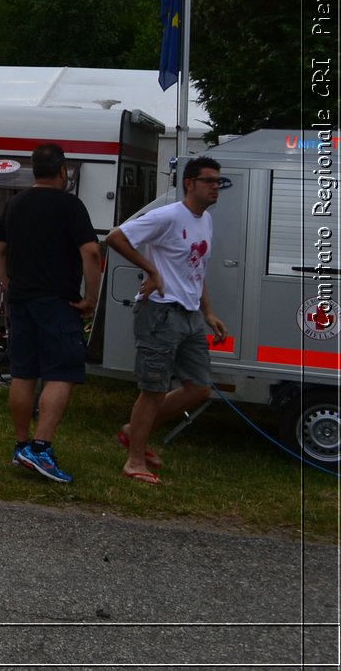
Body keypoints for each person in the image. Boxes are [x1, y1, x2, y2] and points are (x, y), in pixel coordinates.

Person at [104, 156, 229, 486]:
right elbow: (115, 237)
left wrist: (209, 312)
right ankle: (134, 461)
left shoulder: (206, 221)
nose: (216, 187)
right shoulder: (169, 215)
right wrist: (151, 269)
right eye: (210, 181)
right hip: (160, 313)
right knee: (153, 389)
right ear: (190, 183)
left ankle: (134, 432)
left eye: (219, 182)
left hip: (189, 316)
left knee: (200, 388)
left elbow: (196, 270)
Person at [0, 143, 101, 484]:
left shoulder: (16, 203)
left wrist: (8, 283)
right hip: (57, 302)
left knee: (24, 372)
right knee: (61, 372)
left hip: (21, 300)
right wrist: (91, 299)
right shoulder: (70, 206)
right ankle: (41, 448)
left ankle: (21, 444)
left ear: (33, 170)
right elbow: (91, 252)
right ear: (63, 170)